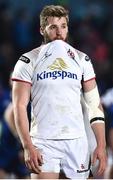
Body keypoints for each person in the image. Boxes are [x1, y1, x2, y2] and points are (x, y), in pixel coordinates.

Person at [12, 5, 106, 179]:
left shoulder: (82, 59)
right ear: (42, 30)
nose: (59, 32)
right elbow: (19, 106)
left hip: (76, 141)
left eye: (63, 26)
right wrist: (27, 146)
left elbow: (94, 104)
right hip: (43, 141)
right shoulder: (28, 60)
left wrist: (101, 144)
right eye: (53, 27)